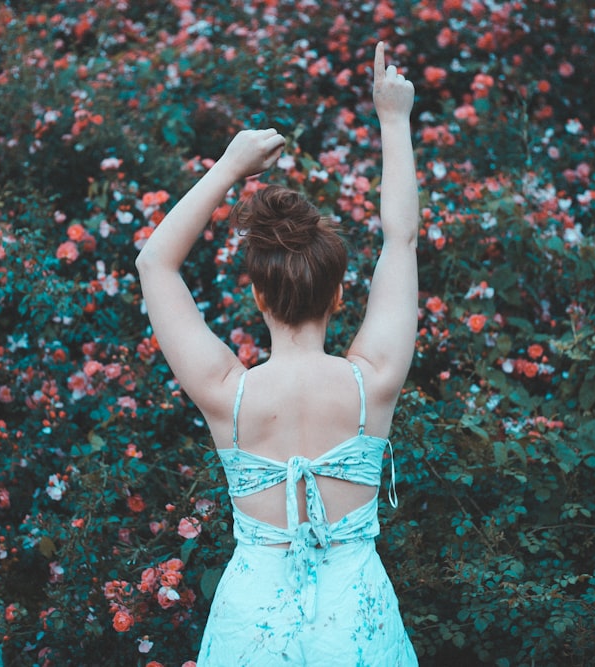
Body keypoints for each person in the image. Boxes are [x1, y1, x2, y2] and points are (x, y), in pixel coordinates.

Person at [135, 41, 420, 666]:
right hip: (357, 625)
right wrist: (393, 120)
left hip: (250, 628)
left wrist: (232, 165)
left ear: (259, 293)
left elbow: (155, 262)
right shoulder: (372, 384)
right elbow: (400, 240)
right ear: (340, 293)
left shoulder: (226, 394)